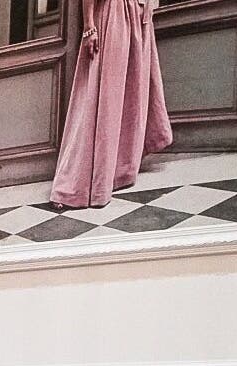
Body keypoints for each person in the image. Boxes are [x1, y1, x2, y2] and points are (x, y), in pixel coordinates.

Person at [49, 0, 173, 210]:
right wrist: (89, 27)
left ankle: (118, 171)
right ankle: (74, 185)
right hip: (112, 14)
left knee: (130, 93)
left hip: (138, 16)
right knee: (103, 94)